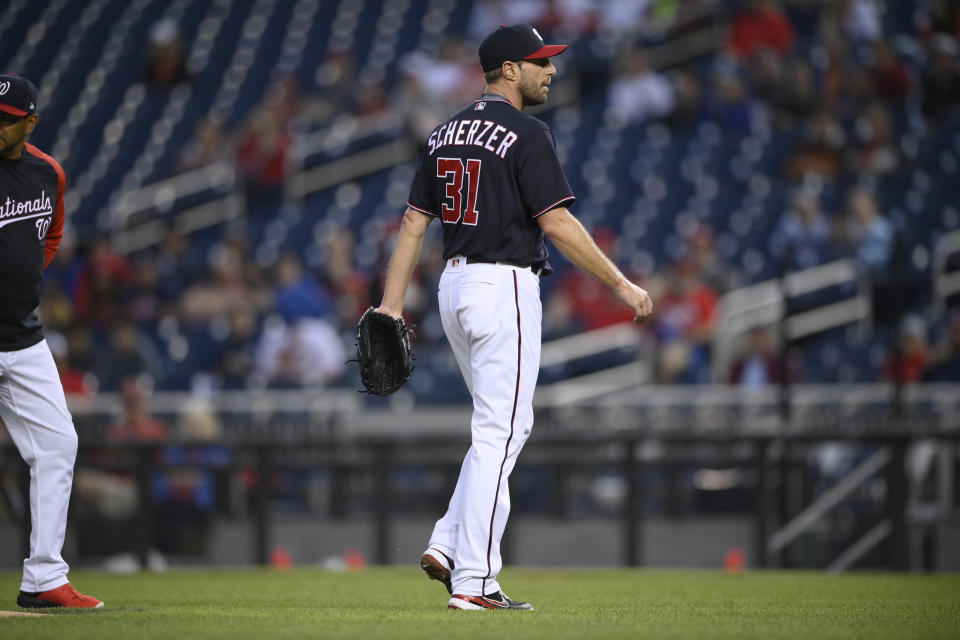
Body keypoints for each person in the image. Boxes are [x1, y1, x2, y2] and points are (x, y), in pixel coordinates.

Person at [373, 25, 652, 610]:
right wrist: (621, 284)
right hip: (503, 286)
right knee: (499, 431)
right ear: (507, 70)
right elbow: (555, 223)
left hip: (453, 287)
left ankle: (449, 542)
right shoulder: (526, 131)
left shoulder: (443, 132)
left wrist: (392, 304)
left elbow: (413, 226)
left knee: (505, 427)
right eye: (539, 62)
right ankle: (475, 582)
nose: (549, 71)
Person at [0, 74, 103, 608]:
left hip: (21, 336)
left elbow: (54, 231)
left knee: (59, 445)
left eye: (7, 117)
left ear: (30, 122)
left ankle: (43, 578)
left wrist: (26, 273)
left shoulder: (47, 172)